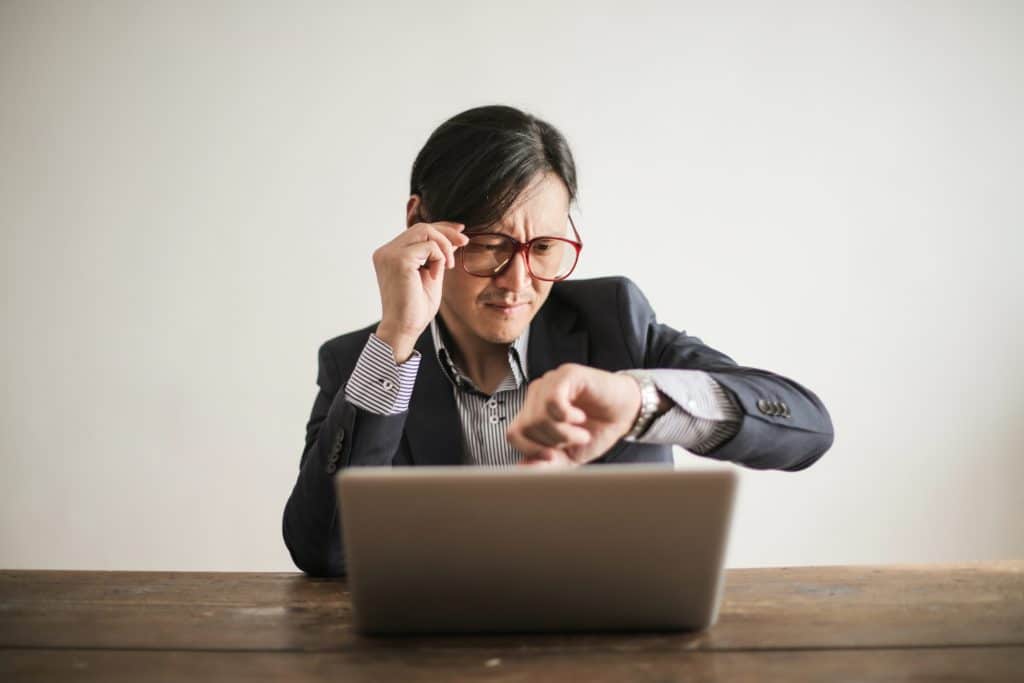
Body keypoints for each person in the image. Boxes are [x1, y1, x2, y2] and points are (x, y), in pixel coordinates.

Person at [282, 105, 834, 577]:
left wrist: (639, 404)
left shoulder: (614, 321)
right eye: (489, 245)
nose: (518, 283)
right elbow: (322, 551)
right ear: (420, 225)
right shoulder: (360, 362)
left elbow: (805, 429)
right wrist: (397, 341)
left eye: (544, 247)